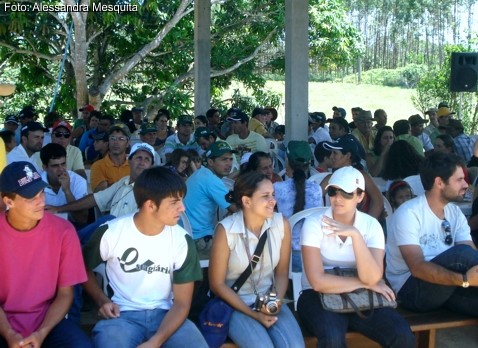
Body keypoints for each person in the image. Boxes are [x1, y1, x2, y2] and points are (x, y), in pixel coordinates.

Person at [83, 167, 207, 348]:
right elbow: (80, 268)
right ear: (150, 205)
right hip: (122, 316)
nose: (182, 208)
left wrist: (155, 342)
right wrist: (102, 300)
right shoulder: (111, 232)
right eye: (174, 202)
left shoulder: (182, 240)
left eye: (181, 200)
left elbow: (181, 303)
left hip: (167, 314)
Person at [298, 166, 415, 348]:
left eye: (346, 193)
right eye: (333, 191)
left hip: (363, 294)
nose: (337, 198)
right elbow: (317, 282)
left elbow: (372, 276)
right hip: (317, 295)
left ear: (360, 197)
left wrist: (355, 235)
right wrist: (364, 283)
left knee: (402, 334)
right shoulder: (314, 223)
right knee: (332, 337)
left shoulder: (370, 225)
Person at [0, 161, 93, 348]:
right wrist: (9, 334)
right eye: (30, 197)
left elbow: (66, 294)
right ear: (8, 201)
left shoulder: (64, 231)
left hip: (47, 321)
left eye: (41, 192)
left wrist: (41, 333)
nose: (41, 201)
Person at [209, 172, 304, 348]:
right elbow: (217, 284)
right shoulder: (226, 230)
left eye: (273, 194)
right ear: (247, 201)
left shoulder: (281, 224)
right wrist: (254, 315)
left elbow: (282, 273)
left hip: (269, 297)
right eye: (265, 196)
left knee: (295, 346)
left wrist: (274, 302)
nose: (273, 201)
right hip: (235, 303)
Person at [386, 152, 478, 316]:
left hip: (446, 284)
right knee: (461, 255)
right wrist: (464, 280)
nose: (466, 184)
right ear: (439, 183)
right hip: (412, 289)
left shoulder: (455, 212)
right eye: (459, 179)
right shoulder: (409, 213)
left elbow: (472, 255)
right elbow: (417, 268)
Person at [45, 142, 156, 244]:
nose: (142, 162)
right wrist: (58, 209)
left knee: (108, 220)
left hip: (127, 240)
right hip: (107, 236)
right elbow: (95, 199)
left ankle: (65, 242)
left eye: (147, 159)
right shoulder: (123, 181)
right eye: (139, 158)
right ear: (129, 161)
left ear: (151, 166)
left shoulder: (153, 189)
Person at [274, 141, 323, 271]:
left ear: (287, 161)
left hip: (285, 258)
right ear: (308, 164)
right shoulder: (317, 189)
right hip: (313, 257)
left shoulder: (277, 189)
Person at [184, 141, 235, 260]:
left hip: (189, 236)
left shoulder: (201, 174)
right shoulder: (211, 180)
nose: (229, 164)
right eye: (224, 159)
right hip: (199, 241)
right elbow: (235, 208)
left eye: (231, 159)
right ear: (211, 162)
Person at [321, 137, 384, 220]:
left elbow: (378, 202)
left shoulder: (362, 176)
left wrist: (366, 226)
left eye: (335, 153)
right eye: (331, 153)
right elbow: (313, 198)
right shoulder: (330, 178)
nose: (331, 157)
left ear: (347, 155)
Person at [40, 143, 89, 226]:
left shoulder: (78, 181)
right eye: (55, 166)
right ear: (45, 167)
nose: (61, 169)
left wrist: (67, 191)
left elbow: (82, 219)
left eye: (63, 164)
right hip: (44, 227)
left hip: (72, 227)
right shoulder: (37, 182)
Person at [90, 123, 131, 192]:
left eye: (121, 139)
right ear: (108, 142)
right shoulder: (97, 166)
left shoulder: (134, 164)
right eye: (112, 138)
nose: (116, 142)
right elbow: (100, 194)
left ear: (127, 143)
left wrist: (109, 185)